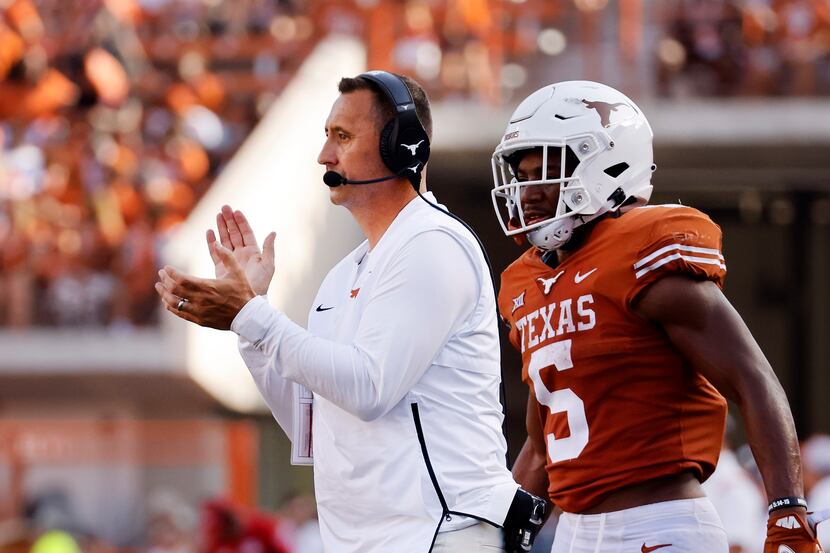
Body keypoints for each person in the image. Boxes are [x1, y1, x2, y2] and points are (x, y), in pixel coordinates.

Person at [155, 71, 543, 552]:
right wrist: (250, 327)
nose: (324, 155)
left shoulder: (433, 243)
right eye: (326, 137)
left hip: (442, 534)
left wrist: (251, 315)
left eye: (342, 136)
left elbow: (368, 387)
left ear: (402, 146)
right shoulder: (344, 274)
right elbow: (312, 429)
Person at [490, 80, 825, 553]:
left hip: (659, 526)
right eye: (520, 173)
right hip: (574, 534)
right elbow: (545, 443)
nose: (526, 190)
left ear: (607, 162)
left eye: (545, 169)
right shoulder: (525, 284)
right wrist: (498, 531)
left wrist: (787, 508)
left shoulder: (642, 249)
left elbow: (752, 379)